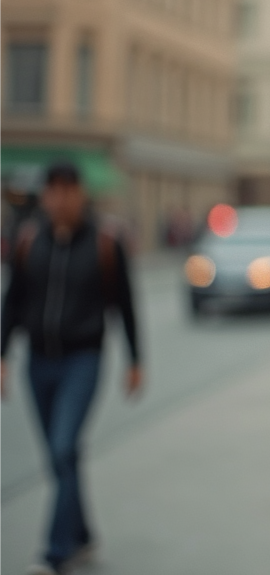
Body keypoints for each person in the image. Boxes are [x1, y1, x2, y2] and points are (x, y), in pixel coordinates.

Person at [0, 161, 142, 575]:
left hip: (84, 358)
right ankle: (82, 534)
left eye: (67, 190)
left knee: (63, 448)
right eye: (53, 191)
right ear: (45, 196)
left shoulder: (104, 242)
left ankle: (55, 552)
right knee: (59, 457)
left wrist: (136, 361)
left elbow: (127, 305)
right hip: (38, 361)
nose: (60, 199)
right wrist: (2, 354)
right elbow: (12, 302)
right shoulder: (29, 241)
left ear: (80, 194)